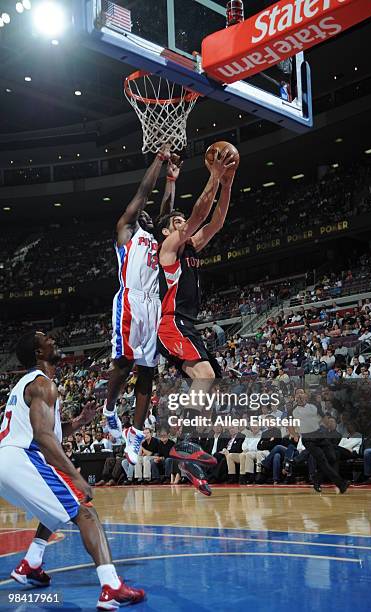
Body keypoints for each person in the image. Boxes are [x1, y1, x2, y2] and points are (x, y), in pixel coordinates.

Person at [0, 330, 144, 608]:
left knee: (56, 508)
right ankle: (111, 586)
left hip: (8, 462)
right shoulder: (43, 385)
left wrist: (78, 422)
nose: (53, 339)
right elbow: (43, 438)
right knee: (85, 512)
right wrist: (78, 478)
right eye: (45, 338)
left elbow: (47, 432)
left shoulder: (29, 385)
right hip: (21, 458)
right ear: (38, 352)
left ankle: (30, 564)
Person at [156, 148, 236, 493]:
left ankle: (189, 459)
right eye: (176, 223)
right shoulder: (169, 250)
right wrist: (214, 176)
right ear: (166, 233)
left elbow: (215, 220)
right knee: (203, 375)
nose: (182, 225)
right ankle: (186, 441)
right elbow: (199, 216)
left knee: (210, 383)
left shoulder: (192, 247)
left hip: (188, 325)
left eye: (180, 223)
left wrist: (228, 183)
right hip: (172, 322)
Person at [103, 143, 181, 465]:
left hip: (153, 305)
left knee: (148, 374)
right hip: (131, 300)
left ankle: (134, 436)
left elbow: (165, 213)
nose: (147, 213)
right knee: (124, 363)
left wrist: (173, 180)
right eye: (142, 211)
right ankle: (109, 411)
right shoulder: (126, 230)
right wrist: (159, 161)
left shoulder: (157, 238)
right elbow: (143, 193)